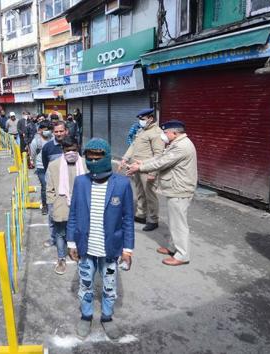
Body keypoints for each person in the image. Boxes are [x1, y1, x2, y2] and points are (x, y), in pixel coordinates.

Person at [66, 138, 134, 339]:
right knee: (85, 284)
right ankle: (86, 316)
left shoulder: (122, 184)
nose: (94, 161)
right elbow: (73, 214)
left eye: (98, 156)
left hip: (110, 249)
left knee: (109, 286)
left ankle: (107, 317)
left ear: (107, 156)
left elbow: (128, 219)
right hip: (86, 247)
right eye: (90, 157)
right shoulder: (81, 182)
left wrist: (128, 249)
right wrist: (71, 242)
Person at [128, 120, 197, 266]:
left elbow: (162, 162)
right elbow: (160, 157)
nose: (163, 136)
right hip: (176, 188)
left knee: (179, 224)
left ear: (174, 133)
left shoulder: (182, 147)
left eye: (165, 133)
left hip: (180, 189)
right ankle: (173, 248)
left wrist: (140, 168)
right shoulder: (176, 144)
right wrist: (142, 163)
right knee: (174, 222)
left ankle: (182, 255)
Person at [46, 137, 87, 275]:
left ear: (78, 149)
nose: (71, 153)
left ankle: (79, 254)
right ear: (63, 150)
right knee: (60, 234)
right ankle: (61, 258)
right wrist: (52, 206)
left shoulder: (85, 164)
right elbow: (50, 189)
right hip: (61, 205)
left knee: (81, 231)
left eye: (74, 150)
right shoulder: (54, 165)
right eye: (68, 150)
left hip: (82, 205)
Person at [120, 108, 165, 232]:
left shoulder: (156, 133)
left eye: (143, 119)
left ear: (150, 118)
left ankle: (153, 220)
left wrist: (153, 172)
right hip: (136, 167)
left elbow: (159, 155)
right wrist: (125, 159)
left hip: (147, 169)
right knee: (140, 192)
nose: (141, 121)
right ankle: (141, 214)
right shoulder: (141, 131)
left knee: (150, 195)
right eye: (139, 119)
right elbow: (133, 146)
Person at [41, 121, 69, 248]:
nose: (59, 133)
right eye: (56, 131)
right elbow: (47, 166)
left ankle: (70, 239)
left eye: (61, 131)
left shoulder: (72, 145)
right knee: (53, 215)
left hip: (69, 186)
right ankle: (53, 238)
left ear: (66, 131)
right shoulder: (47, 147)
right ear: (53, 132)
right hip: (53, 187)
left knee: (70, 215)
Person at [30, 120, 53, 215]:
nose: (47, 131)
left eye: (49, 129)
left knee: (53, 186)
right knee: (44, 186)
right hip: (41, 167)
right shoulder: (36, 141)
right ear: (40, 130)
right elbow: (33, 154)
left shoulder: (53, 139)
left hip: (52, 165)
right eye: (45, 129)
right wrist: (35, 164)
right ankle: (45, 206)